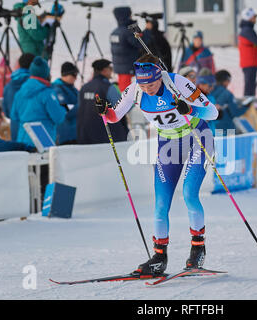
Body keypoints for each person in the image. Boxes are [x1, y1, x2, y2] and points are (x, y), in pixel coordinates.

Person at [95, 53, 218, 275]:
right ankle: (159, 257)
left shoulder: (178, 82)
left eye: (151, 83)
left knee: (189, 193)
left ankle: (197, 251)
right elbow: (114, 117)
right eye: (143, 84)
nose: (148, 88)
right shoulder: (135, 89)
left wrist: (190, 109)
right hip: (168, 143)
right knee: (161, 204)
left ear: (159, 75)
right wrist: (105, 111)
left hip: (197, 137)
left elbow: (212, 112)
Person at [11, 56, 67, 147]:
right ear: (46, 73)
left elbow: (14, 116)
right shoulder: (47, 93)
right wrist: (63, 109)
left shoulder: (19, 93)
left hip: (22, 140)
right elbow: (59, 117)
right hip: (43, 141)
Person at [77, 59, 128, 145]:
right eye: (110, 68)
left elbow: (79, 108)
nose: (111, 71)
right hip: (108, 136)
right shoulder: (108, 87)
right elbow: (122, 106)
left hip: (86, 136)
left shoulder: (84, 87)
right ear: (104, 70)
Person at [3, 53, 35, 141]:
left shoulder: (8, 86)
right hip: (34, 131)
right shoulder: (35, 85)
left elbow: (6, 112)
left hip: (15, 130)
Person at [110, 6, 142, 92]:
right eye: (129, 15)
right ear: (126, 16)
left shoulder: (115, 31)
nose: (131, 17)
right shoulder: (127, 32)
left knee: (124, 92)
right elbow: (140, 43)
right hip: (129, 68)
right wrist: (148, 31)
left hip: (121, 68)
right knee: (129, 94)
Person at [210, 70, 251, 136]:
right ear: (226, 81)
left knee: (216, 145)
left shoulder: (208, 92)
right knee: (230, 146)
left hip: (211, 128)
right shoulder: (227, 94)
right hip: (227, 128)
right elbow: (235, 112)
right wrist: (246, 106)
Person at [52, 62, 79, 145]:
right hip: (66, 135)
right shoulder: (57, 89)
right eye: (73, 75)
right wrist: (84, 106)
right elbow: (65, 110)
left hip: (75, 133)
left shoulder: (72, 88)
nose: (75, 78)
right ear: (65, 74)